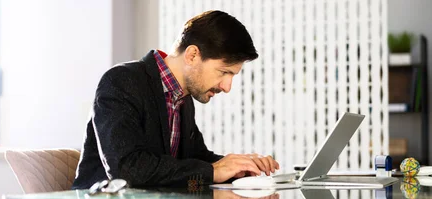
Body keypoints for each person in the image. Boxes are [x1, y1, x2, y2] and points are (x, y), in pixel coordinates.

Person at [72, 10, 279, 189]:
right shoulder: (121, 81)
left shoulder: (183, 98)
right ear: (192, 55)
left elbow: (194, 160)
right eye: (223, 72)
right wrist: (214, 170)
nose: (227, 87)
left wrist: (238, 167)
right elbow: (126, 169)